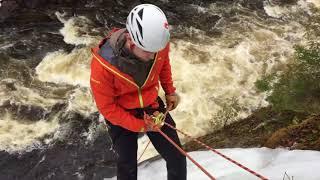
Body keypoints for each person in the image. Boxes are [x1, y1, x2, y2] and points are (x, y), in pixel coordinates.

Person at [90, 4, 187, 180]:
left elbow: (163, 63)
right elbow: (107, 108)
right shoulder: (103, 65)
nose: (153, 55)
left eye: (155, 51)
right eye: (148, 52)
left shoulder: (157, 43)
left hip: (151, 104)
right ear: (130, 40)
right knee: (127, 168)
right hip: (121, 111)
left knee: (177, 157)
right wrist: (141, 126)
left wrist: (169, 90)